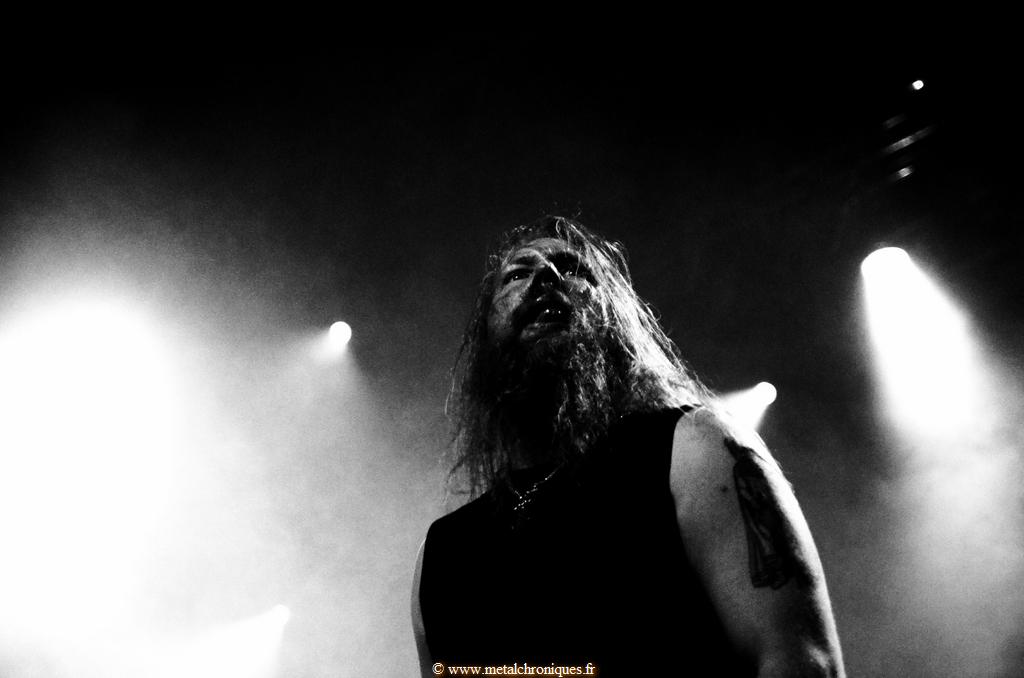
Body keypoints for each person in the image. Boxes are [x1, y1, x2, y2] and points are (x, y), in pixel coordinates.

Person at [411, 216, 845, 677]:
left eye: (573, 268)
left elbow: (801, 660)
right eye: (518, 274)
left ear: (615, 319)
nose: (546, 277)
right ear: (484, 334)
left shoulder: (696, 450)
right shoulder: (443, 556)